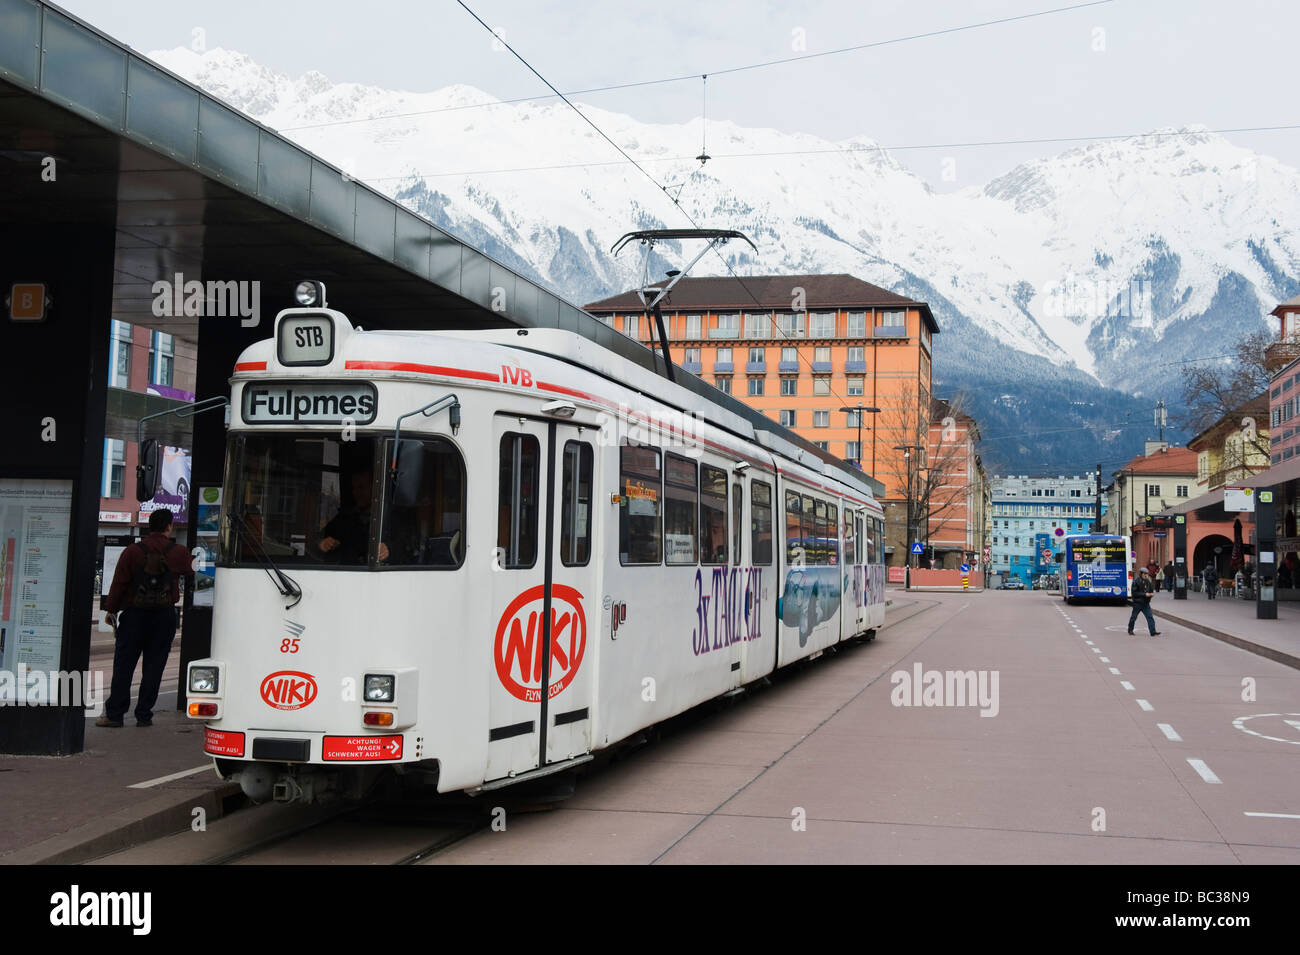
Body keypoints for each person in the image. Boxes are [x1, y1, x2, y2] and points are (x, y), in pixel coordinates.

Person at [97, 509, 193, 727]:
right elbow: (192, 571)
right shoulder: (178, 552)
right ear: (169, 526)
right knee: (155, 666)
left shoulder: (132, 551)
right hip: (164, 616)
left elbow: (119, 583)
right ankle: (144, 714)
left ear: (149, 525)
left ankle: (114, 715)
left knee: (124, 665)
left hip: (134, 615)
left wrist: (111, 610)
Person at [320, 469, 388, 563]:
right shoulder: (344, 518)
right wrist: (323, 544)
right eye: (354, 488)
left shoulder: (389, 518)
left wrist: (388, 550)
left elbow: (405, 548)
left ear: (374, 488)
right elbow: (320, 538)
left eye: (361, 487)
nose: (356, 492)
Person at [1128, 567, 1160, 636]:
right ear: (1141, 574)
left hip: (1145, 603)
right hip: (1137, 603)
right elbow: (1134, 593)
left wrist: (1151, 594)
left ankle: (1153, 631)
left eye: (1147, 574)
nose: (1146, 575)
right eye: (1145, 574)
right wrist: (1145, 594)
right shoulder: (1136, 581)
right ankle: (1130, 630)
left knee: (1150, 617)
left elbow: (1151, 590)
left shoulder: (1148, 581)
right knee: (1134, 617)